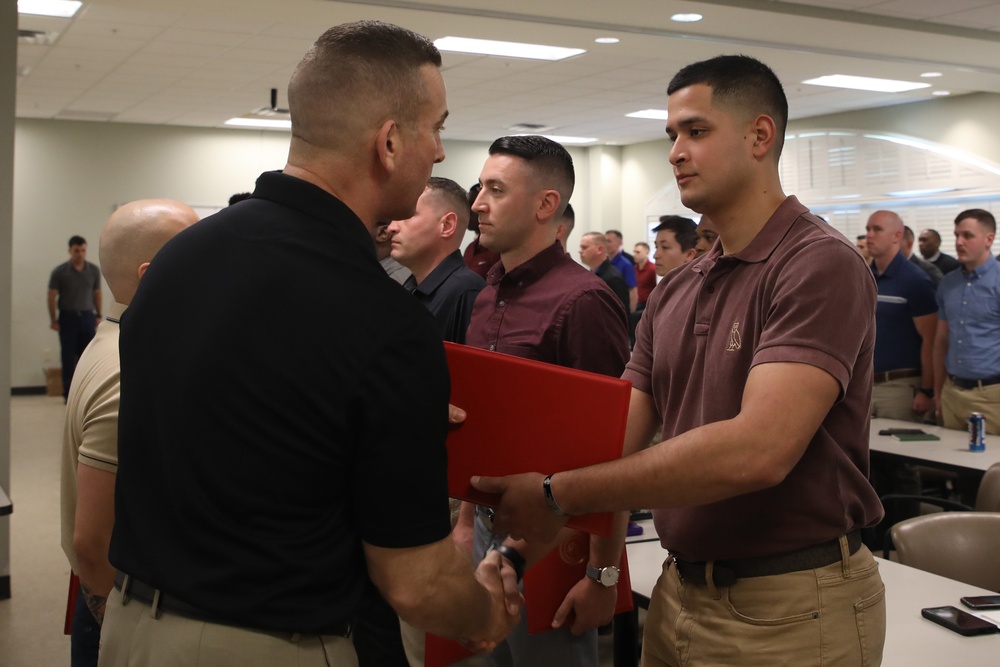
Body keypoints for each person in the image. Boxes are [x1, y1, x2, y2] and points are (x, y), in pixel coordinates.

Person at [101, 21, 519, 667]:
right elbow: (414, 581)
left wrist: (374, 428)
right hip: (262, 642)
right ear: (388, 141)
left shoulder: (179, 257)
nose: (439, 151)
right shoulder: (382, 317)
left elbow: (234, 423)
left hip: (132, 628)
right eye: (436, 127)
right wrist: (486, 611)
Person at [472, 55, 886, 666]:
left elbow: (759, 450)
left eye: (696, 131)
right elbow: (616, 442)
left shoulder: (815, 262)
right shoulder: (676, 289)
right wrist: (514, 551)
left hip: (791, 605)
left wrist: (557, 494)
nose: (675, 152)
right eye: (672, 136)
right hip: (681, 591)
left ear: (759, 136)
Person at [460, 135, 631, 667]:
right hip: (489, 521)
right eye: (480, 188)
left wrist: (603, 575)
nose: (477, 204)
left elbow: (611, 450)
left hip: (558, 531)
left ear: (545, 205)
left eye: (495, 189)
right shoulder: (489, 293)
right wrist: (466, 522)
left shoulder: (581, 301)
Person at [59, 199, 198, 667]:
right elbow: (91, 542)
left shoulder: (112, 339)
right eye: (198, 256)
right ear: (151, 274)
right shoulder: (130, 369)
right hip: (115, 609)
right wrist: (111, 619)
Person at [389, 176, 486, 344]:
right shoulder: (410, 285)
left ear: (447, 225)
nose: (392, 227)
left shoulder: (465, 292)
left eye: (408, 215)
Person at [865, 211, 937, 421]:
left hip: (900, 387)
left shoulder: (915, 281)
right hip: (866, 384)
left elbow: (930, 341)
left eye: (877, 230)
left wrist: (927, 390)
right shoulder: (865, 276)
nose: (870, 235)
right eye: (868, 229)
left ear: (897, 236)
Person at [934, 209, 1000, 433]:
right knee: (952, 464)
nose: (959, 242)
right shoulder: (948, 283)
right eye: (956, 235)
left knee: (989, 466)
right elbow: (941, 340)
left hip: (991, 395)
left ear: (989, 239)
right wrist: (937, 390)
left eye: (967, 236)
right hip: (952, 392)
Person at [48, 235, 103, 400]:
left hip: (87, 317)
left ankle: (86, 393)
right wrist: (53, 319)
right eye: (77, 250)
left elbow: (97, 293)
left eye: (83, 250)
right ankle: (68, 394)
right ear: (70, 251)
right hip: (68, 318)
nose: (80, 254)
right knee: (68, 356)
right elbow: (51, 296)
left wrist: (98, 315)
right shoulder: (60, 272)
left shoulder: (93, 270)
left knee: (87, 356)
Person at [579, 232, 630, 312]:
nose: (580, 251)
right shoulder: (591, 274)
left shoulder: (613, 278)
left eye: (584, 247)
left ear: (599, 249)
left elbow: (621, 314)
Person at [463, 182, 502, 279]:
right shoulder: (470, 249)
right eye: (468, 205)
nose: (472, 209)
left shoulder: (498, 250)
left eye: (473, 203)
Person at [604, 229, 637, 312]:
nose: (606, 244)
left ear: (619, 243)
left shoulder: (626, 264)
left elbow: (632, 291)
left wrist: (630, 314)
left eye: (609, 241)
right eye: (604, 241)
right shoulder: (604, 263)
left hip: (620, 309)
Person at [632, 241, 656, 308]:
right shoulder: (634, 269)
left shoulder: (653, 269)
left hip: (646, 305)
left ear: (647, 253)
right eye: (634, 252)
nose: (634, 254)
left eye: (638, 252)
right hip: (635, 303)